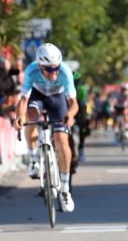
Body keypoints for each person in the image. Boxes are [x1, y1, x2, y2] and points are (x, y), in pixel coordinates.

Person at [14, 43, 79, 213]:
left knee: (61, 140)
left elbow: (73, 103)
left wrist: (70, 116)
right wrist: (19, 117)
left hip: (57, 98)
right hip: (38, 96)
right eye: (49, 70)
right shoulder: (31, 71)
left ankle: (65, 191)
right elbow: (22, 101)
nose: (54, 73)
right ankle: (34, 158)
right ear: (40, 66)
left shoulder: (65, 72)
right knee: (31, 116)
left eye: (55, 68)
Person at [73, 71, 91, 161]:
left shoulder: (81, 89)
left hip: (80, 108)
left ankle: (81, 148)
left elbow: (83, 104)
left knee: (83, 126)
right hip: (72, 107)